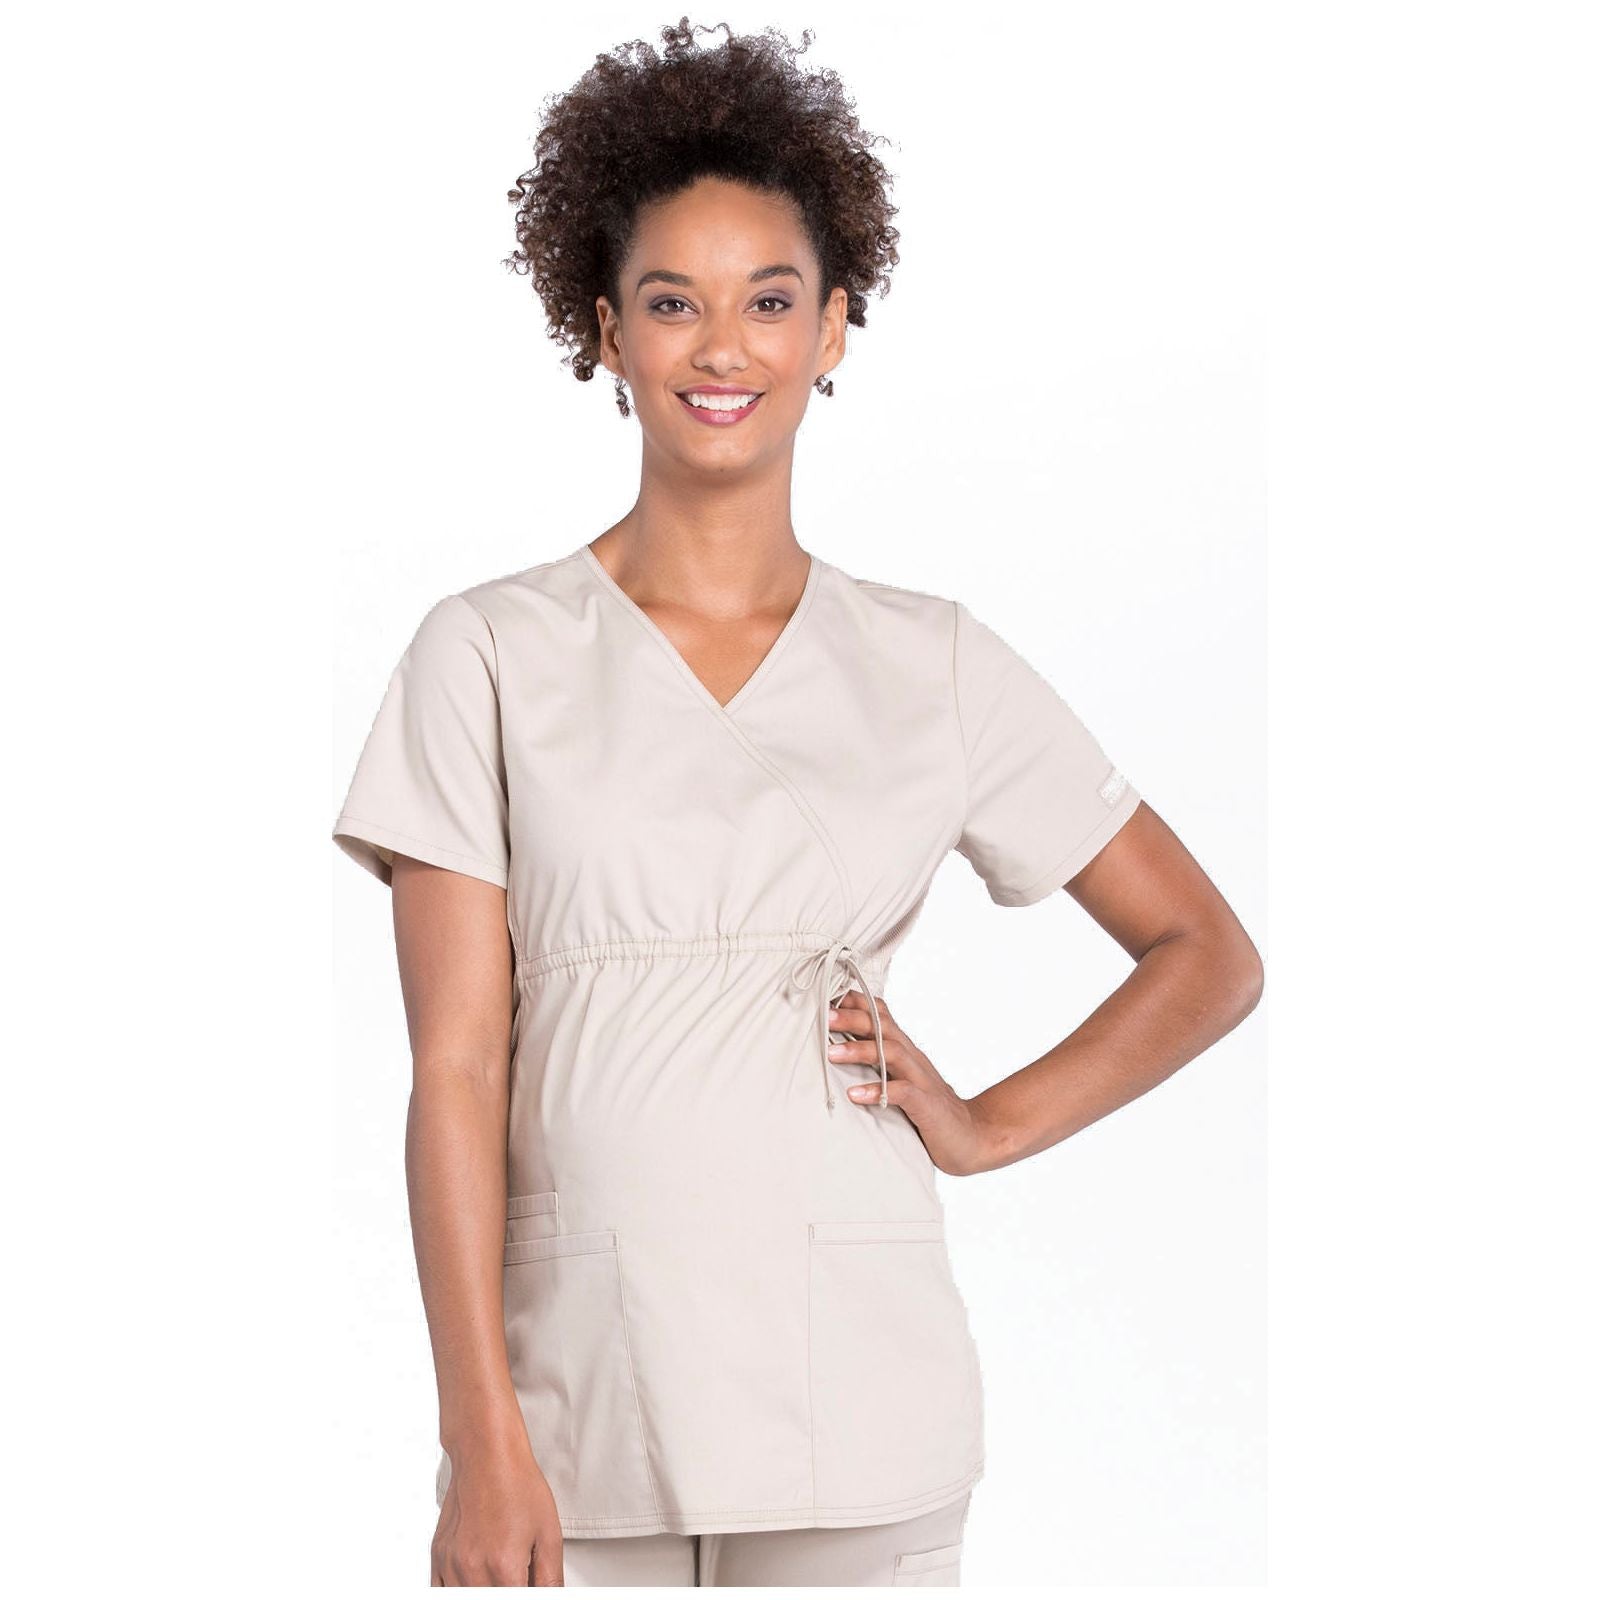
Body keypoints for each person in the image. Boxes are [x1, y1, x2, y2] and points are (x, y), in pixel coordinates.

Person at [331, 18, 1263, 1589]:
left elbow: (1207, 954)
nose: (724, 349)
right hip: (575, 1415)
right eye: (672, 302)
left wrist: (985, 1127)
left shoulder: (931, 663)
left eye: (770, 300)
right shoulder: (485, 654)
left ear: (833, 328)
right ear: (604, 331)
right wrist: (482, 1436)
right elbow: (457, 1070)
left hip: (859, 1401)